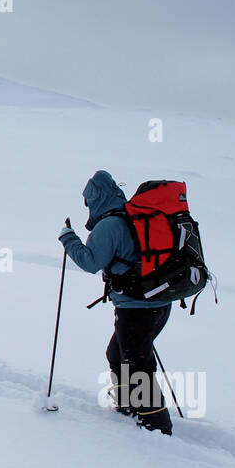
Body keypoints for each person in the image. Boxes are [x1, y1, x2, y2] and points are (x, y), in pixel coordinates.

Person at [58, 169, 172, 434]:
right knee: (118, 354)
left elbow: (90, 262)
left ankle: (156, 425)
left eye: (87, 200)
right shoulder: (132, 214)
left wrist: (68, 238)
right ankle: (127, 406)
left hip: (136, 308)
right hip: (158, 303)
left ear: (95, 197)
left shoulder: (110, 225)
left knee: (137, 364)